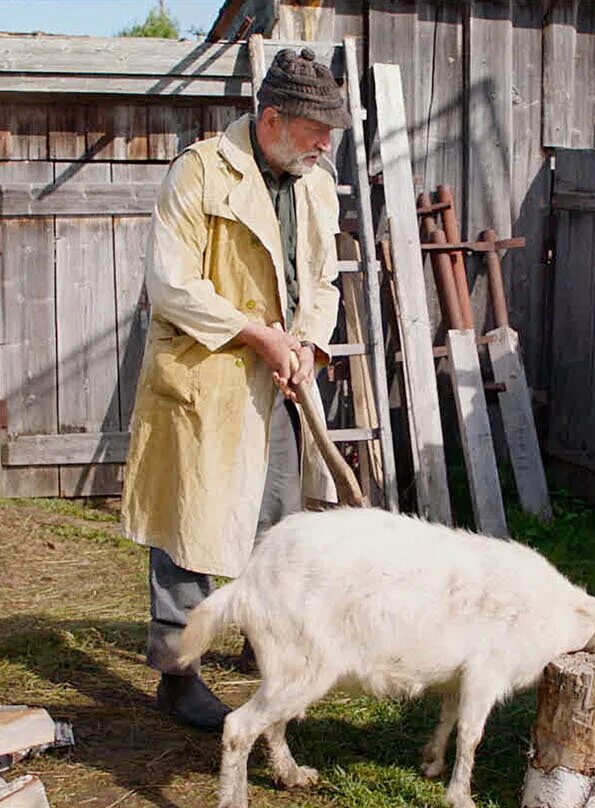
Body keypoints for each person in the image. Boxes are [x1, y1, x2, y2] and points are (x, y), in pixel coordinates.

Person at [118, 48, 352, 731]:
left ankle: (265, 641)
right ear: (273, 119)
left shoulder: (312, 181)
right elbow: (171, 284)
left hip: (275, 380)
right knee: (186, 525)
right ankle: (177, 672)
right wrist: (257, 334)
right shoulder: (199, 171)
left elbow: (322, 280)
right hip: (203, 375)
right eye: (316, 129)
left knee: (275, 522)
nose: (325, 143)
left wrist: (305, 341)